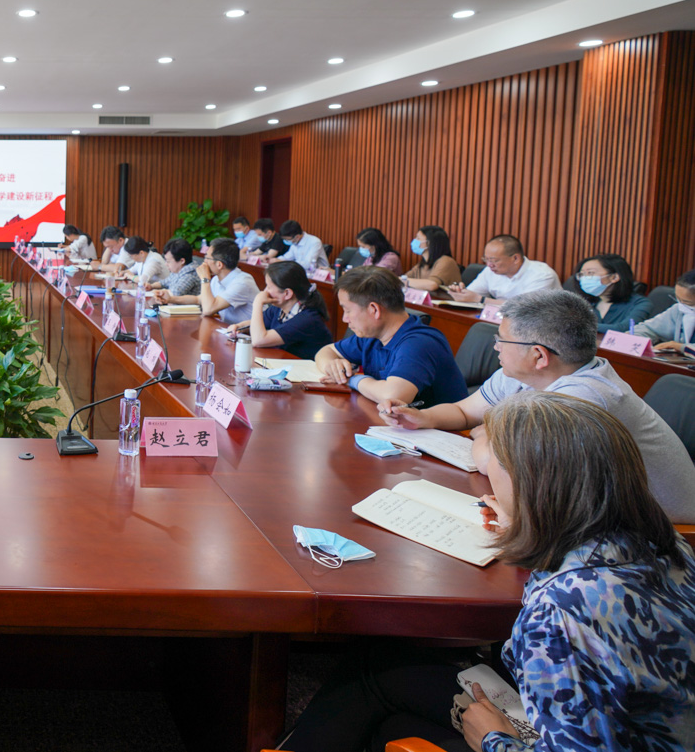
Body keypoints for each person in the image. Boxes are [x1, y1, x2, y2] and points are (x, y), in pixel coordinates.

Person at [286, 391, 695, 752]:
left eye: (495, 466)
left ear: (531, 485)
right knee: (387, 701)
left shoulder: (561, 612)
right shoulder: (665, 544)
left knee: (382, 698)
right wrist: (529, 529)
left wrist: (493, 739)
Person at [379, 290, 695, 521]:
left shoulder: (584, 396)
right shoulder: (525, 373)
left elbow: (496, 464)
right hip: (586, 510)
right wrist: (421, 417)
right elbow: (465, 412)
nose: (496, 347)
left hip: (653, 532)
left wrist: (486, 433)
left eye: (502, 340)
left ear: (539, 355)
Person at [314, 266, 467, 408]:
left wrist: (352, 380)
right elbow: (325, 351)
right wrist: (333, 367)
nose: (344, 319)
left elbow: (394, 396)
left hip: (439, 428)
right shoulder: (372, 334)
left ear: (374, 310)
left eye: (347, 311)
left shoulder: (420, 343)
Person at [238, 261, 332, 360]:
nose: (265, 291)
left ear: (287, 293)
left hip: (305, 368)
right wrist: (239, 327)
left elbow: (258, 340)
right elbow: (257, 324)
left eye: (269, 287)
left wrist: (257, 303)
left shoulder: (307, 319)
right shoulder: (278, 308)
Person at [447, 234, 559, 304]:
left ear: (515, 258)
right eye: (486, 259)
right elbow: (472, 294)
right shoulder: (490, 271)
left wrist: (480, 299)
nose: (489, 265)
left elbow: (523, 308)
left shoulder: (542, 275)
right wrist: (460, 293)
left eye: (494, 260)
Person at [573, 253, 652, 333]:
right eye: (581, 274)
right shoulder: (584, 302)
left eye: (590, 273)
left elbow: (624, 329)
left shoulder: (640, 303)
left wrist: (580, 325)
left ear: (614, 277)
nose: (584, 278)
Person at [188, 238, 258, 323]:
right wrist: (173, 299)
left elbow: (208, 309)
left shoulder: (242, 282)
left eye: (207, 257)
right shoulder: (216, 279)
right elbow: (199, 299)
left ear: (219, 264)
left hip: (249, 331)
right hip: (230, 328)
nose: (204, 262)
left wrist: (205, 279)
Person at [635, 268, 695, 352]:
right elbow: (649, 328)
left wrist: (680, 347)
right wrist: (633, 337)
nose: (681, 304)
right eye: (677, 298)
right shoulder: (677, 309)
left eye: (686, 302)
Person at [404, 225, 462, 292]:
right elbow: (405, 278)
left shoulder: (446, 261)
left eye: (418, 238)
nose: (414, 241)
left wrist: (403, 280)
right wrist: (401, 280)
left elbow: (432, 285)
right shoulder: (422, 264)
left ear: (430, 243)